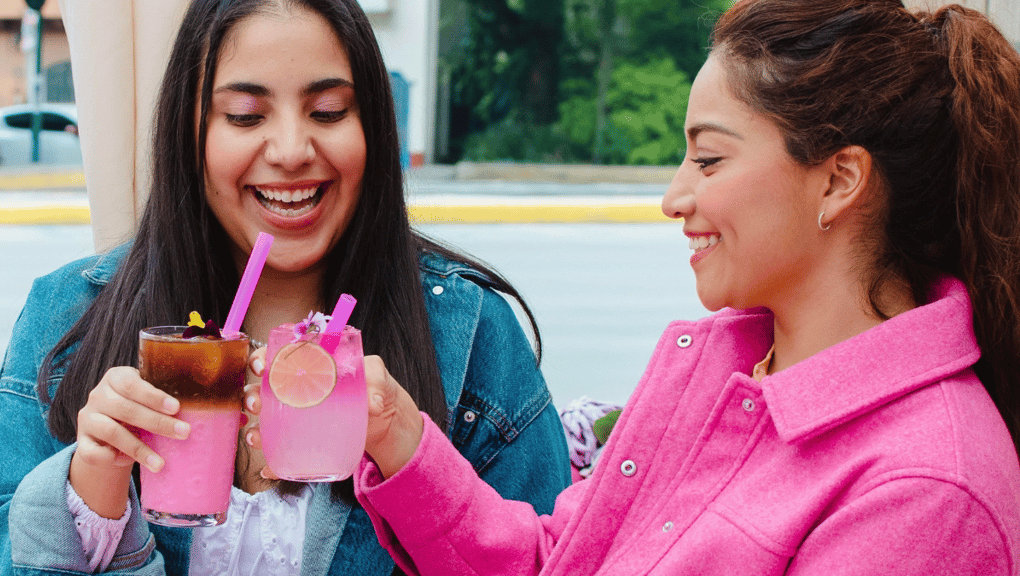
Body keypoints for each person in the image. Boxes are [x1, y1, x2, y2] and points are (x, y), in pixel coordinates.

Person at [350, 1, 1020, 574]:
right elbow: (558, 561)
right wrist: (395, 431)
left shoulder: (929, 491)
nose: (675, 197)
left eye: (709, 159)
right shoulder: (721, 374)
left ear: (840, 180)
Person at [0, 0, 571, 574]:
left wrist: (404, 447)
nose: (292, 151)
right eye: (245, 115)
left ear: (371, 126)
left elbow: (557, 561)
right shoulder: (68, 317)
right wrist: (89, 494)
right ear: (187, 132)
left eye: (328, 111)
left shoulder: (472, 338)